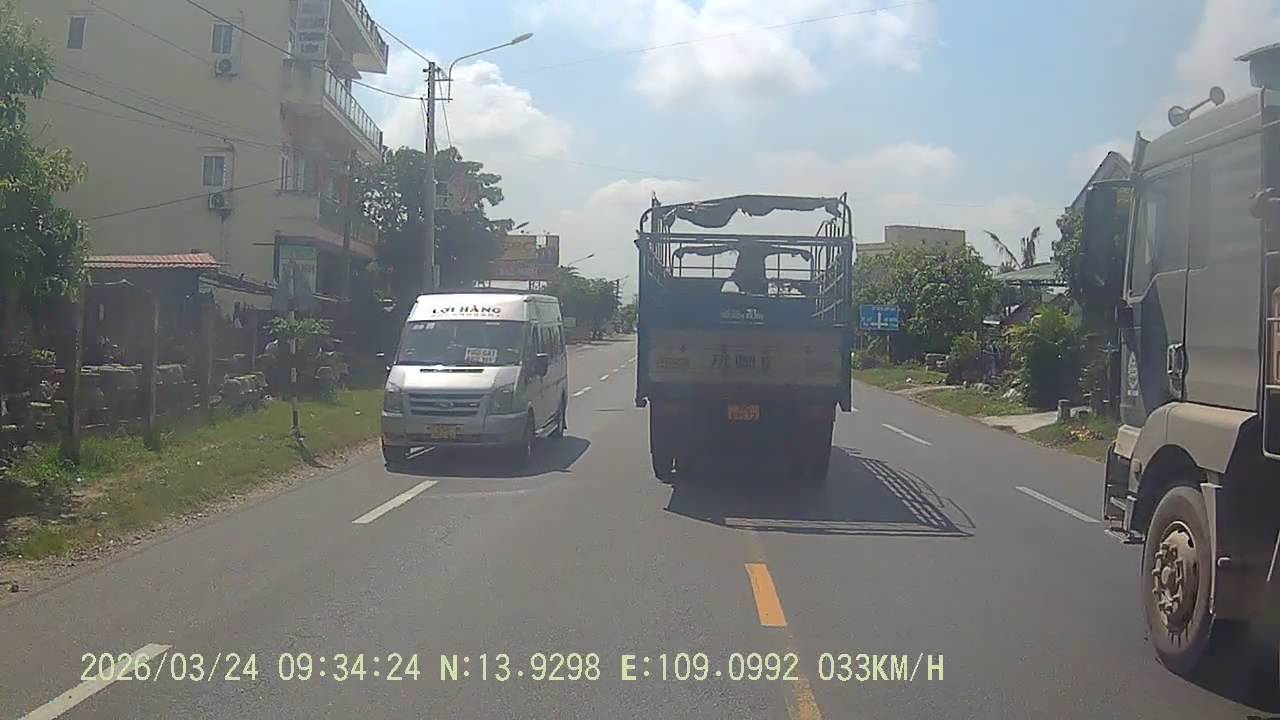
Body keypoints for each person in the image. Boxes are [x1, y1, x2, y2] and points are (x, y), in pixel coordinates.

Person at [673, 239, 812, 295]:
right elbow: (715, 249)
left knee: (729, 290)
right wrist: (801, 252)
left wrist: (688, 250)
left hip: (746, 280)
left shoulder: (746, 246)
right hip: (748, 280)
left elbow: (714, 250)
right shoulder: (760, 247)